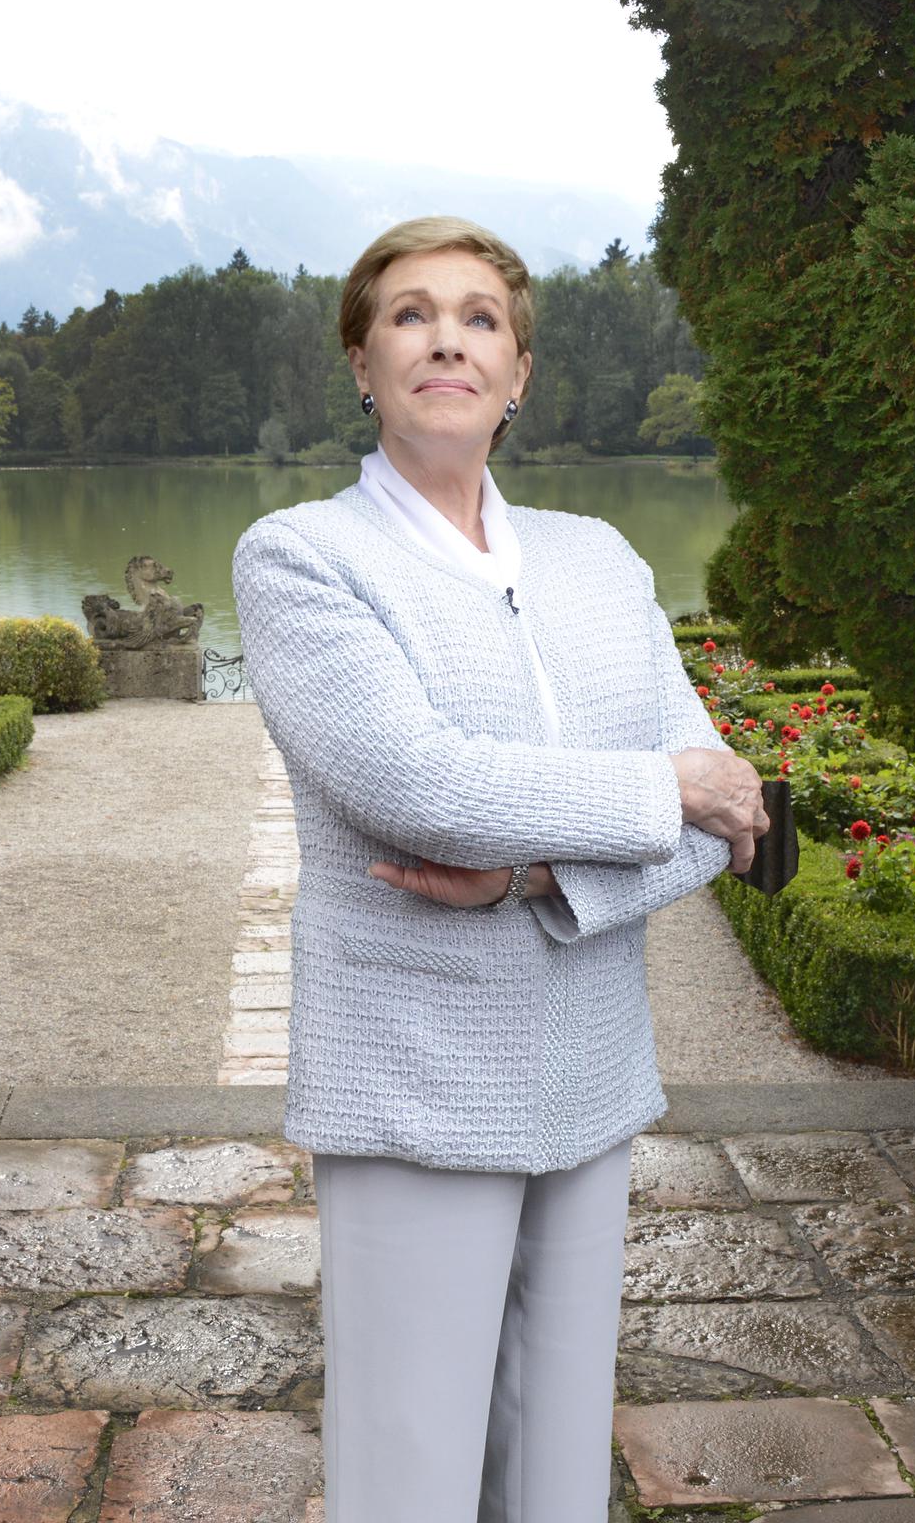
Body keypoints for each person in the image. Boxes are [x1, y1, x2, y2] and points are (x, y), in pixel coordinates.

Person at [229, 215, 769, 1522]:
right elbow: (429, 788)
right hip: (417, 1076)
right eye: (409, 314)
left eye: (479, 318)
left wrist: (537, 877)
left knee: (555, 1458)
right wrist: (665, 783)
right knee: (411, 1462)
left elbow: (724, 830)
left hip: (588, 1072)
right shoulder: (303, 557)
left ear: (519, 374)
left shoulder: (601, 559)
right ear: (363, 361)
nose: (446, 339)